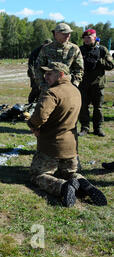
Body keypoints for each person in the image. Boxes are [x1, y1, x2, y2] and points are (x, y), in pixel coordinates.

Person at [27, 62, 107, 207]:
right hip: (71, 148)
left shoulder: (53, 92)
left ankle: (63, 187)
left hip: (51, 147)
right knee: (70, 173)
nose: (46, 77)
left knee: (37, 175)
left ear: (61, 74)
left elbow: (39, 116)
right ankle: (84, 183)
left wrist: (33, 126)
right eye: (45, 73)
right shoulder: (76, 91)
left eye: (50, 73)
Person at [78, 29, 114, 137]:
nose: (87, 40)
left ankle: (98, 128)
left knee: (98, 108)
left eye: (89, 37)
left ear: (94, 37)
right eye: (85, 38)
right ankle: (84, 128)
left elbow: (111, 65)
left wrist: (99, 61)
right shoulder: (79, 50)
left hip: (98, 84)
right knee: (83, 107)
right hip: (83, 84)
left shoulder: (102, 50)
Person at [35, 23, 84, 93]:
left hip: (67, 86)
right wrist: (42, 85)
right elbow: (38, 68)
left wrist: (75, 84)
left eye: (69, 33)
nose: (68, 35)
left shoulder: (74, 48)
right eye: (65, 33)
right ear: (56, 34)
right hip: (49, 86)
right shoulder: (46, 48)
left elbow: (79, 69)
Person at [27, 39, 52, 103]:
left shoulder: (48, 51)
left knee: (42, 88)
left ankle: (38, 101)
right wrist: (33, 75)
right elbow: (30, 64)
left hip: (42, 72)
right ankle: (30, 102)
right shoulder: (36, 51)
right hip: (34, 72)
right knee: (35, 88)